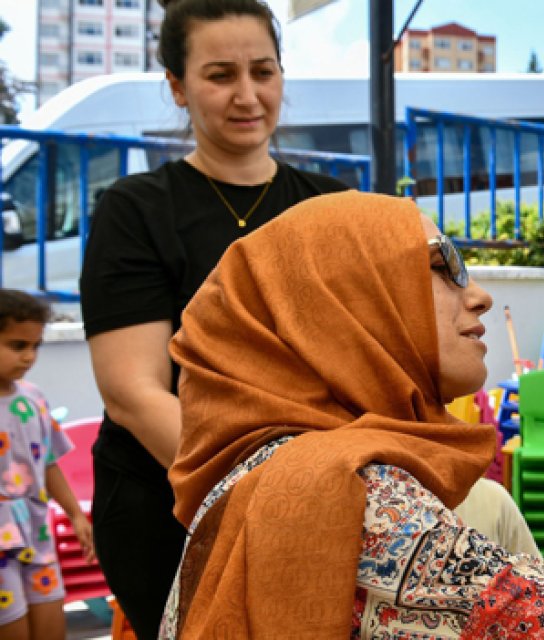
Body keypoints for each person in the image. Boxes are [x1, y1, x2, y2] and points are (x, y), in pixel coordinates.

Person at [158, 191, 544, 638]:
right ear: (348, 303)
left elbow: (541, 616)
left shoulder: (272, 475)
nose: (478, 293)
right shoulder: (355, 502)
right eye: (445, 266)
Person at [77, 0, 348, 636]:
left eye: (263, 71)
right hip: (165, 507)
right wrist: (267, 492)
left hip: (314, 499)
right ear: (177, 85)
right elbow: (133, 391)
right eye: (220, 74)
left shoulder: (334, 207)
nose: (247, 95)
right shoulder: (136, 209)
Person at [0, 290, 95, 639]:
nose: (28, 356)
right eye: (17, 345)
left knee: (51, 625)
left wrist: (74, 514)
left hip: (37, 531)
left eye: (35, 346)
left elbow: (48, 462)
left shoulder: (34, 398)